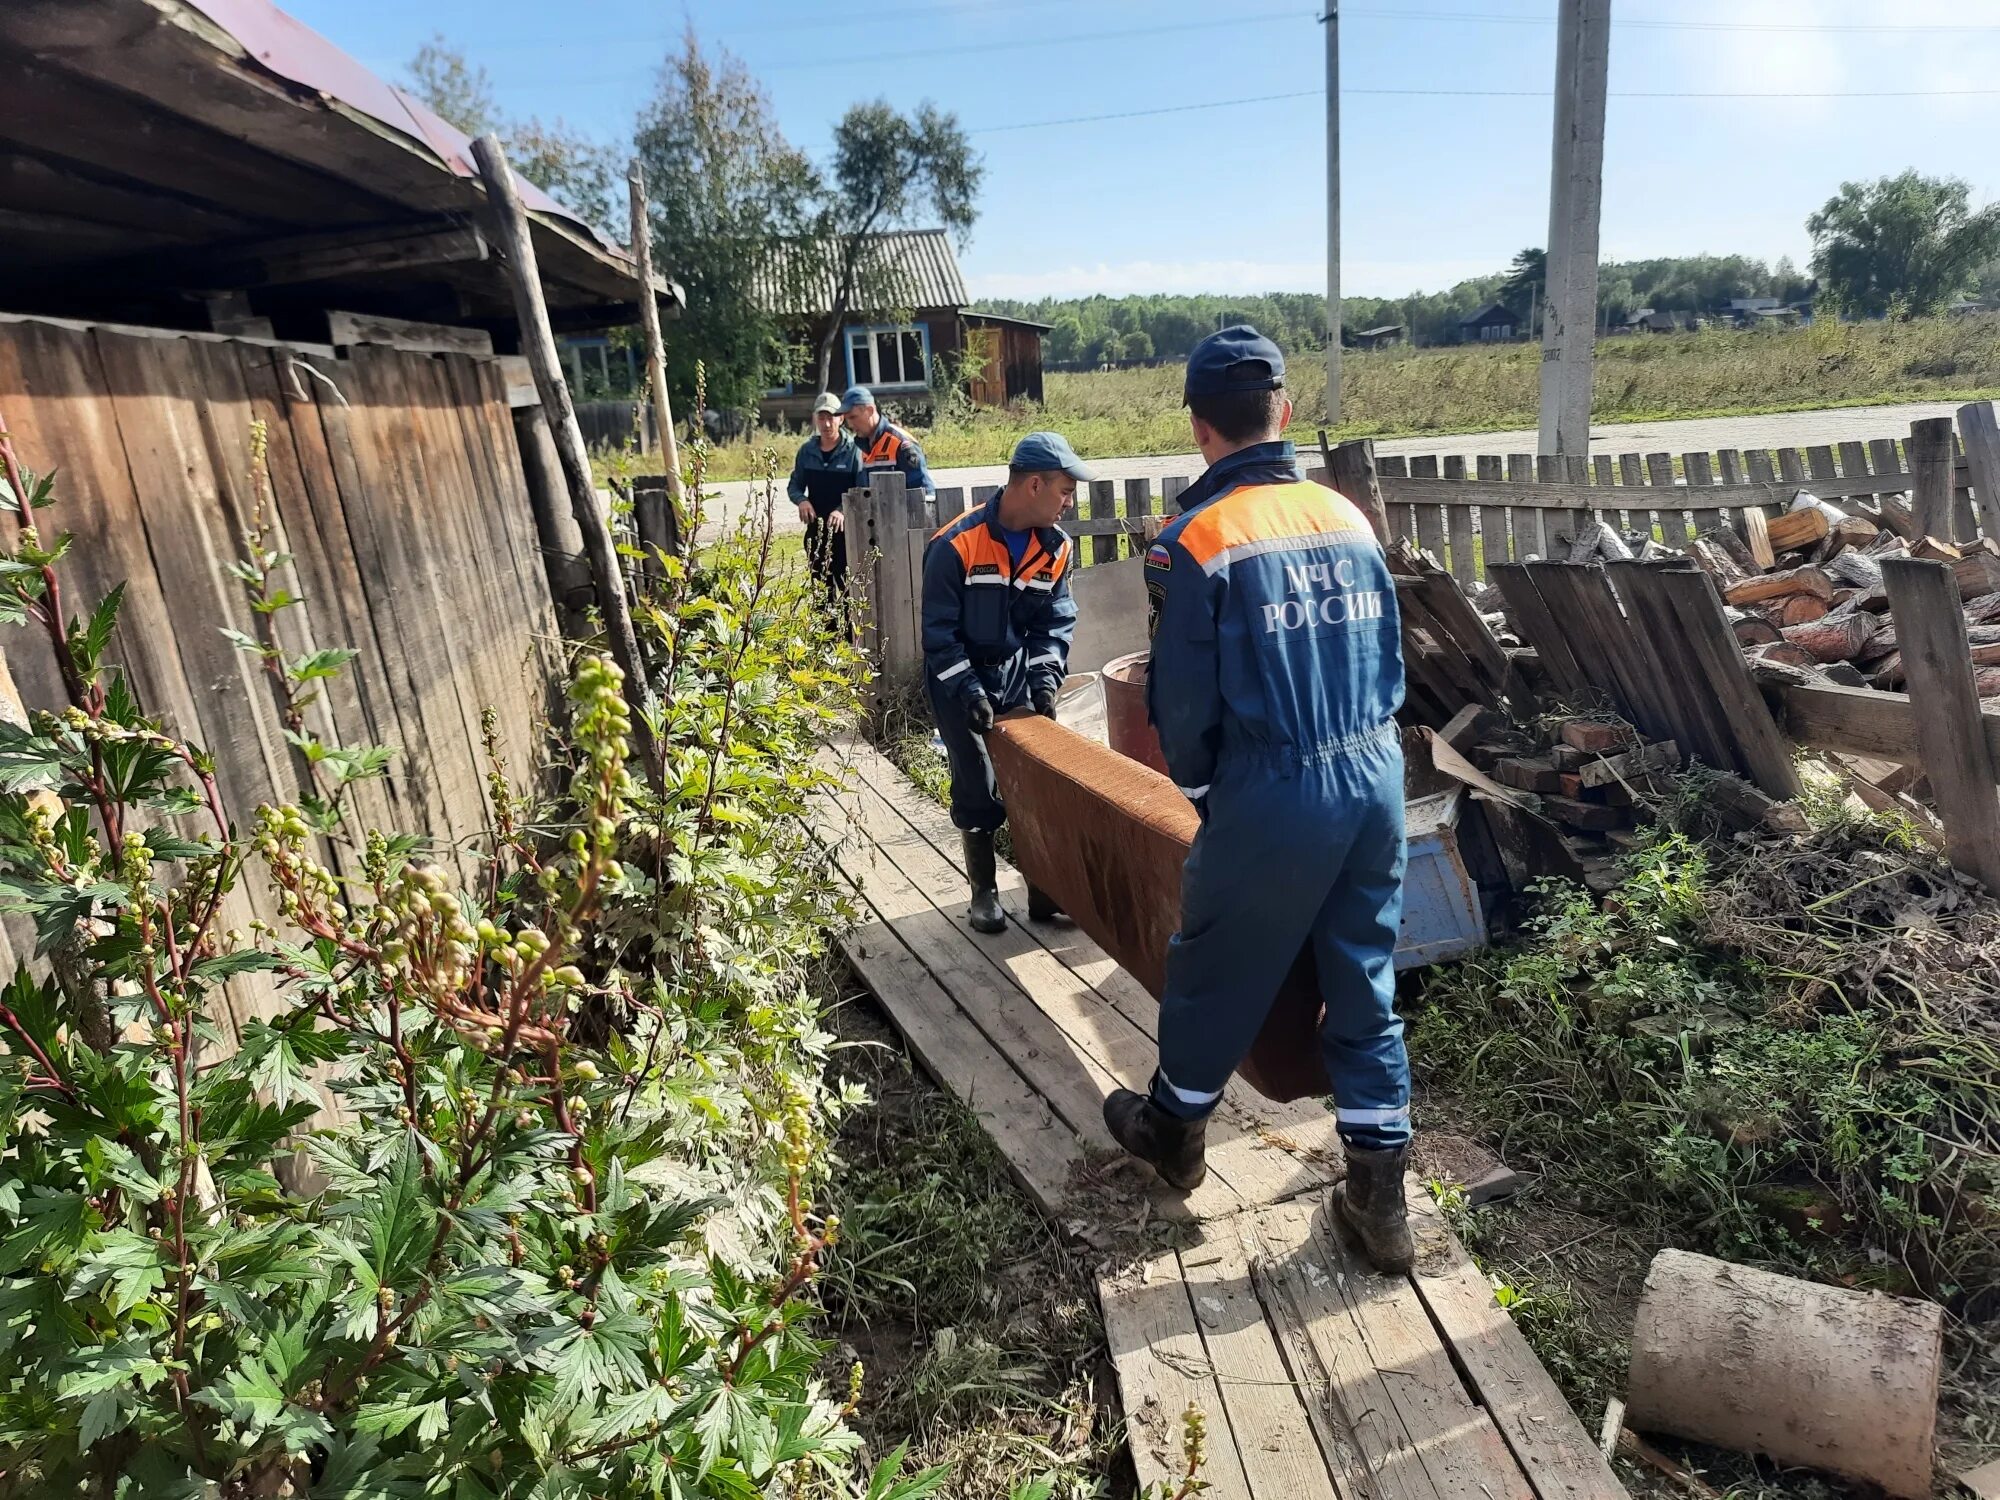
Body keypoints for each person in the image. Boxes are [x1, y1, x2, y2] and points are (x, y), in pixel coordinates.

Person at [1101, 326, 1415, 1272]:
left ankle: (1174, 1133)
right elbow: (1390, 656)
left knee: (1213, 962)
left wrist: (1204, 789)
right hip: (1374, 775)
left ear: (1200, 429)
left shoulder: (1192, 540)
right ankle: (1381, 1199)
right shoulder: (1348, 516)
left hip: (1275, 787)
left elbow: (1182, 697)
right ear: (1283, 412)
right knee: (1363, 973)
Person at [921, 432, 1088, 934]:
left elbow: (1054, 623)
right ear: (1034, 484)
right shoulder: (954, 545)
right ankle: (984, 893)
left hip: (1016, 673)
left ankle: (1043, 890)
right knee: (977, 781)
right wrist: (969, 691)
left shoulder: (1056, 549)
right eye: (1064, 489)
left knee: (1032, 780)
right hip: (958, 679)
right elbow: (938, 636)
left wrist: (1044, 680)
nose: (1070, 500)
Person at [788, 392, 861, 632]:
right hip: (816, 533)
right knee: (821, 589)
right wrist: (801, 501)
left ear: (841, 419)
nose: (827, 423)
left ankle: (852, 640)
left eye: (832, 417)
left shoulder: (853, 451)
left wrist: (842, 510)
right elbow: (794, 485)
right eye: (822, 417)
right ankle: (826, 641)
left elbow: (861, 488)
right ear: (815, 419)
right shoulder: (806, 452)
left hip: (846, 535)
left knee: (848, 586)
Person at [840, 385, 936, 502]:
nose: (850, 425)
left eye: (853, 417)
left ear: (870, 410)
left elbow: (924, 492)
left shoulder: (900, 442)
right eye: (847, 419)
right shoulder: (857, 446)